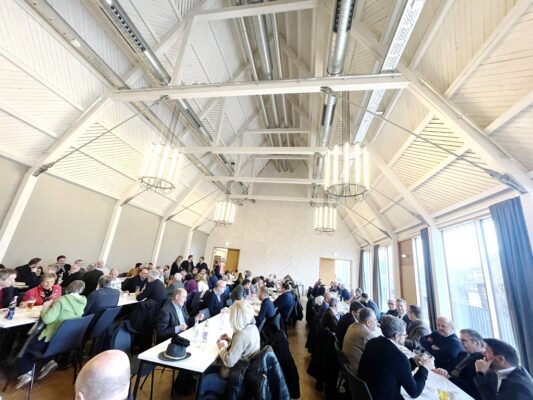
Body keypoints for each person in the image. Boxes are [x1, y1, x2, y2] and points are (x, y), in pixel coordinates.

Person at [16, 280, 87, 388]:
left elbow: (47, 319)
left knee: (24, 347)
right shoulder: (83, 300)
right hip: (64, 339)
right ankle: (48, 361)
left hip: (50, 337)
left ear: (68, 288)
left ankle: (26, 373)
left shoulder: (61, 301)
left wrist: (45, 307)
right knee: (38, 345)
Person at [358, 315, 434, 400]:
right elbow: (414, 392)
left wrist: (413, 361)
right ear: (397, 336)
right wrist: (424, 369)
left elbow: (392, 367)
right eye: (404, 335)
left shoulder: (372, 342)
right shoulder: (399, 357)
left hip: (364, 393)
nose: (406, 336)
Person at [199, 300, 261, 398]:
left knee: (202, 382)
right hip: (245, 375)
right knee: (207, 370)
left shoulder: (242, 335)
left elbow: (229, 362)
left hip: (236, 382)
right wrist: (230, 339)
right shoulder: (252, 327)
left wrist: (221, 348)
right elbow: (243, 348)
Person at [433, 329, 485, 399]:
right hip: (446, 384)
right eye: (460, 340)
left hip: (458, 393)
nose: (460, 343)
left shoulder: (481, 361)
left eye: (463, 340)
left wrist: (449, 377)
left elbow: (470, 387)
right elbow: (450, 368)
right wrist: (443, 371)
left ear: (477, 343)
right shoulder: (464, 354)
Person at [342, 307, 380, 375]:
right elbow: (379, 354)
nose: (377, 322)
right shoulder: (366, 335)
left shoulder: (352, 325)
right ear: (368, 322)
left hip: (349, 366)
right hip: (358, 371)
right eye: (375, 320)